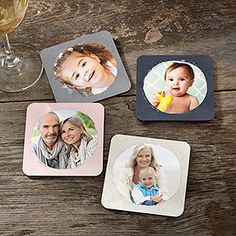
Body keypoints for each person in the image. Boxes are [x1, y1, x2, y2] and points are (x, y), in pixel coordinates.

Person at [53, 43, 118, 95]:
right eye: (77, 76)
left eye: (83, 64)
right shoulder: (98, 96)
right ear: (79, 86)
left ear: (95, 58)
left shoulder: (115, 63)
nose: (84, 72)